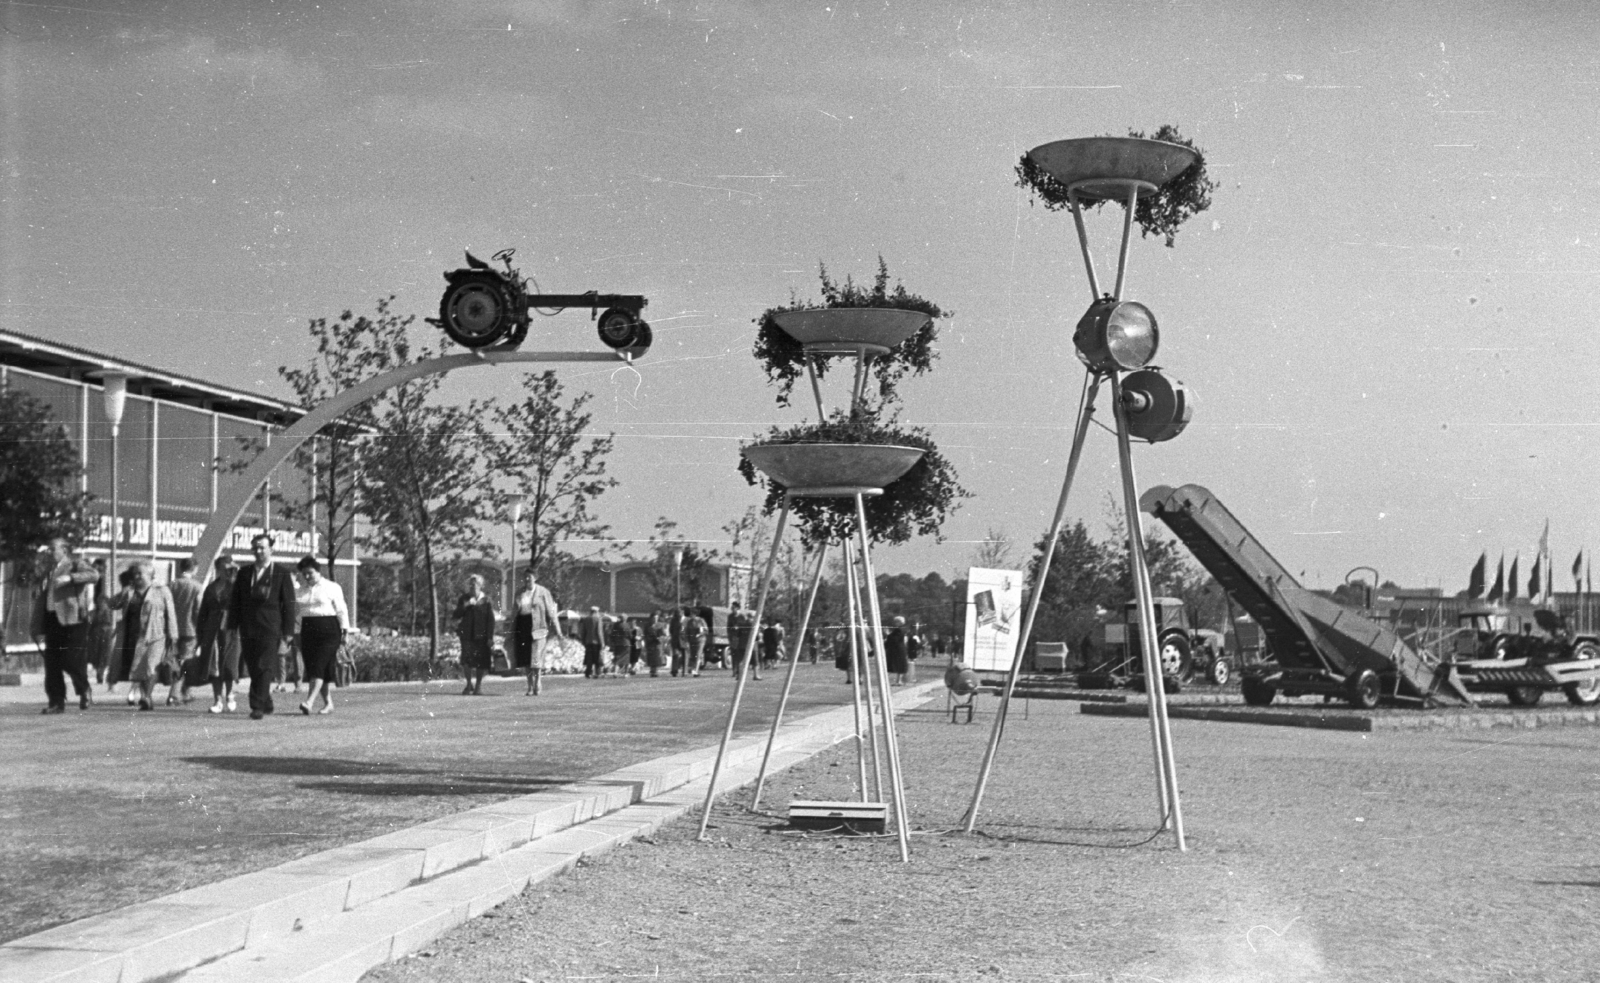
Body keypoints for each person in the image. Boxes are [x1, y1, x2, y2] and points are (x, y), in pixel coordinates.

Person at [230, 533, 298, 720]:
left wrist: (288, 632)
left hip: (270, 627)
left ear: (271, 549)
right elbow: (235, 601)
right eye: (255, 548)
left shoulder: (281, 573)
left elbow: (289, 604)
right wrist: (232, 625)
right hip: (248, 626)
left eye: (262, 547)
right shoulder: (244, 573)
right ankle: (266, 700)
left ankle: (257, 705)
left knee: (264, 665)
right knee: (253, 666)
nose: (258, 551)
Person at [31, 538, 99, 713]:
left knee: (70, 659)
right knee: (52, 662)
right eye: (49, 549)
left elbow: (94, 575)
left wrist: (70, 578)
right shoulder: (47, 570)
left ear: (65, 551)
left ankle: (84, 688)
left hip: (73, 618)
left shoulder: (75, 564)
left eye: (53, 549)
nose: (49, 552)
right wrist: (36, 625)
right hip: (52, 619)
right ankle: (56, 702)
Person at [110, 560, 178, 711]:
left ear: (150, 575)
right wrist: (123, 591)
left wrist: (173, 635)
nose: (138, 576)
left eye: (141, 573)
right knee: (139, 668)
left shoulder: (162, 591)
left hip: (156, 635)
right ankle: (146, 696)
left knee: (150, 666)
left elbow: (171, 614)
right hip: (133, 637)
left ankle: (146, 696)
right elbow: (112, 604)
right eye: (135, 574)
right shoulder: (129, 592)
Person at [293, 555, 349, 715]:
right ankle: (328, 703)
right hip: (308, 630)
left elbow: (341, 610)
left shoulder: (332, 587)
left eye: (310, 572)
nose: (307, 576)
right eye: (304, 573)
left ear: (318, 571)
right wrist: (296, 632)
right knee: (315, 669)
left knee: (319, 665)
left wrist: (345, 631)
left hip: (329, 630)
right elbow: (297, 615)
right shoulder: (300, 591)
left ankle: (308, 702)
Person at [198, 555, 241, 713]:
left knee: (229, 664)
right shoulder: (210, 588)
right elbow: (203, 612)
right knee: (213, 665)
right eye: (226, 569)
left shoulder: (236, 587)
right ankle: (217, 700)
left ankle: (230, 694)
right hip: (213, 630)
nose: (229, 571)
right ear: (218, 570)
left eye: (231, 568)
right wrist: (200, 634)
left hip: (231, 630)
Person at [512, 569, 562, 696]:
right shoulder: (519, 592)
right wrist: (511, 629)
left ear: (535, 578)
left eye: (529, 577)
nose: (527, 579)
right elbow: (514, 612)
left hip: (538, 627)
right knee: (526, 658)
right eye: (525, 577)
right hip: (523, 625)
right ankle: (529, 686)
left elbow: (551, 612)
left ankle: (538, 681)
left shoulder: (543, 592)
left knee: (536, 657)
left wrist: (558, 630)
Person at [168, 557, 204, 706]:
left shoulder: (172, 585)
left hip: (173, 629)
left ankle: (183, 692)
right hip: (190, 630)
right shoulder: (196, 586)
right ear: (194, 569)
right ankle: (177, 694)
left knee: (176, 661)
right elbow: (198, 610)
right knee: (186, 662)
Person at [453, 574, 496, 695]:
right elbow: (456, 615)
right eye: (471, 583)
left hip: (481, 637)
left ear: (481, 586)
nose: (472, 586)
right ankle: (468, 684)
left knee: (480, 662)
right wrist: (465, 606)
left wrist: (490, 637)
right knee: (466, 661)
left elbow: (490, 620)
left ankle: (478, 686)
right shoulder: (464, 599)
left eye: (475, 583)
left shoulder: (486, 600)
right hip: (466, 635)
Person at [578, 605, 606, 678]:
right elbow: (599, 632)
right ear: (596, 611)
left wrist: (583, 641)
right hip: (596, 641)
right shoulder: (598, 619)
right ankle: (597, 672)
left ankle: (588, 672)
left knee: (589, 657)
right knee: (597, 657)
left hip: (588, 641)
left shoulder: (586, 619)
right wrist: (602, 642)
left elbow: (583, 631)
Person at [681, 606, 706, 677]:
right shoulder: (689, 622)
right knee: (693, 656)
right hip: (692, 641)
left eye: (692, 614)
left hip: (700, 640)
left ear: (695, 614)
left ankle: (696, 671)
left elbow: (705, 630)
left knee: (698, 655)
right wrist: (686, 640)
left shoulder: (701, 621)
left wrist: (700, 634)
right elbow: (686, 632)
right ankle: (694, 669)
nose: (691, 615)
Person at [885, 616, 910, 685]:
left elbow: (895, 639)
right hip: (898, 649)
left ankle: (898, 681)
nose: (895, 623)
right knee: (899, 666)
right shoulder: (900, 629)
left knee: (898, 665)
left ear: (900, 622)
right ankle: (898, 681)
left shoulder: (900, 630)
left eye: (897, 621)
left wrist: (888, 634)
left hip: (898, 650)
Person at [644, 610, 668, 677]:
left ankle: (654, 671)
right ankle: (653, 671)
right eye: (654, 617)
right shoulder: (648, 625)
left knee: (656, 657)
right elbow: (646, 634)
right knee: (652, 657)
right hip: (650, 642)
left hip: (656, 642)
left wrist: (661, 637)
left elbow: (662, 633)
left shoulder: (659, 624)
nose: (655, 619)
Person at [668, 607, 686, 677]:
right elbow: (671, 630)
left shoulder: (685, 620)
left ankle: (684, 671)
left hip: (683, 640)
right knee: (675, 655)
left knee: (684, 656)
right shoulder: (673, 620)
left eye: (680, 612)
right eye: (677, 613)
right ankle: (674, 670)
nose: (679, 614)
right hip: (675, 640)